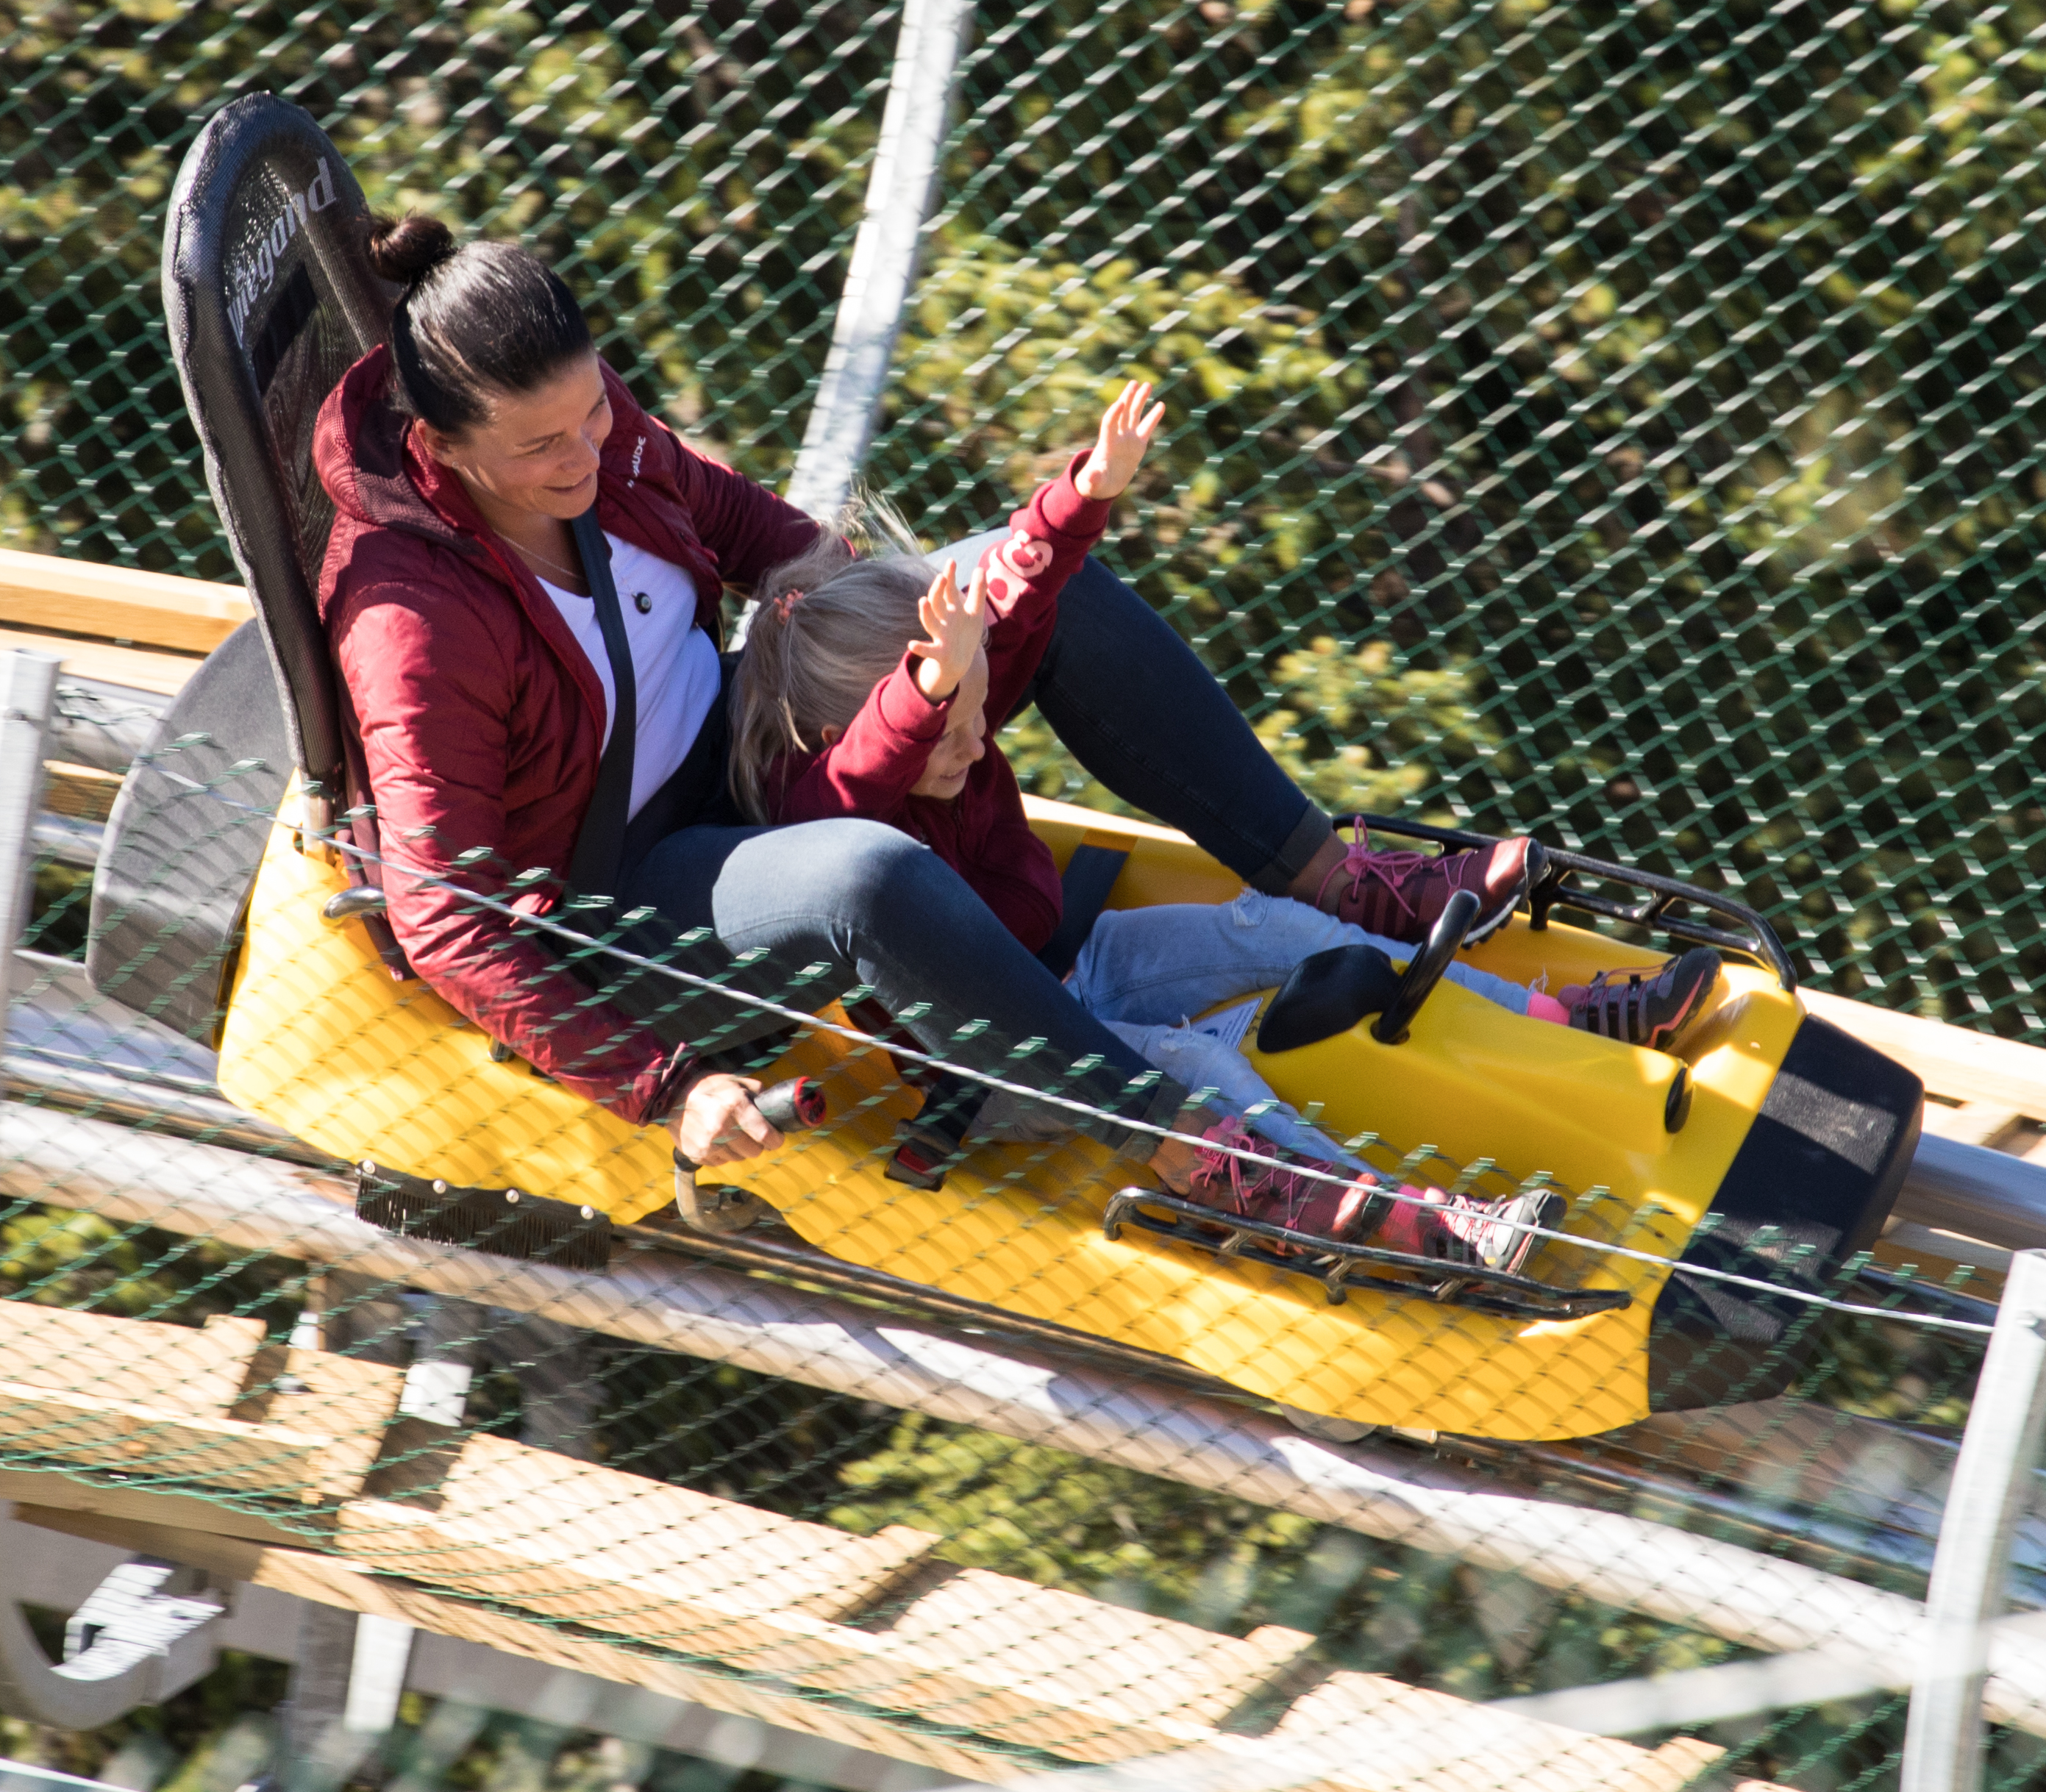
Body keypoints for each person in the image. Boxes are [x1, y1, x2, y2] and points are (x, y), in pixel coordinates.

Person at [310, 214, 1559, 1263]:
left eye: (593, 414)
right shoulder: (413, 621)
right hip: (619, 906)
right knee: (868, 874)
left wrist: (926, 650)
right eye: (542, 446)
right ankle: (1190, 1148)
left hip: (736, 761)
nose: (590, 449)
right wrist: (671, 1090)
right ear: (442, 447)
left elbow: (767, 540)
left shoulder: (588, 430)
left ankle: (1341, 883)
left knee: (1043, 593)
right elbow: (446, 920)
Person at [729, 375, 1722, 1263]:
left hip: (1075, 966)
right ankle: (1381, 1214)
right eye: (942, 730)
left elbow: (1023, 600)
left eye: (979, 710)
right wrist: (929, 687)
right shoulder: (829, 807)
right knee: (1196, 1063)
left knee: (1275, 922)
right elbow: (881, 754)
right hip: (1000, 1059)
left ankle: (1567, 1021)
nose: (975, 736)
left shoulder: (958, 713)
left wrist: (1083, 496)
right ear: (855, 733)